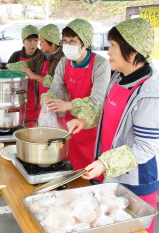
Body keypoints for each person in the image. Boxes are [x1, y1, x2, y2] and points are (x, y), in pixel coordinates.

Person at [71, 18, 159, 233]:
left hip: (137, 179)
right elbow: (106, 110)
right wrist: (84, 119)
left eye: (113, 47)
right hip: (114, 171)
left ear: (134, 51)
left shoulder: (151, 94)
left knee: (133, 228)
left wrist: (104, 163)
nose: (108, 52)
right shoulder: (119, 76)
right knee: (110, 225)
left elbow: (145, 148)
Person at [42, 19, 110, 184]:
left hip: (90, 126)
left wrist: (69, 104)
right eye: (64, 41)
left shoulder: (100, 65)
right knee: (70, 171)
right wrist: (49, 98)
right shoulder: (64, 62)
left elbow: (97, 100)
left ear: (85, 42)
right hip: (69, 125)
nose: (67, 45)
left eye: (72, 41)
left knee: (89, 175)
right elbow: (56, 88)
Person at [7, 24, 64, 126]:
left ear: (52, 42)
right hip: (40, 103)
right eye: (29, 40)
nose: (38, 45)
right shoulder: (42, 55)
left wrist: (34, 76)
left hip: (57, 106)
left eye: (40, 41)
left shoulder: (63, 59)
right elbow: (27, 64)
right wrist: (5, 66)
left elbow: (56, 83)